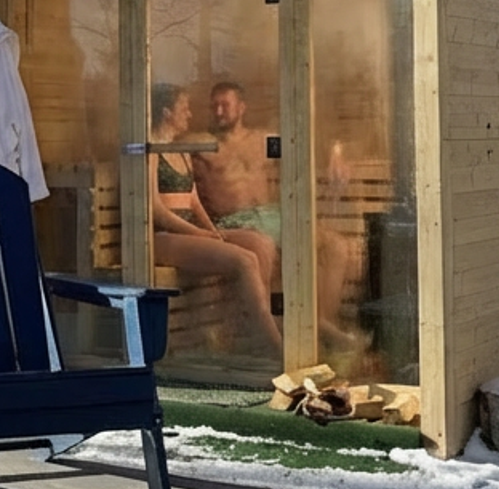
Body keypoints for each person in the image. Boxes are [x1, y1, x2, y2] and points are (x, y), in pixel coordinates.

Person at [193, 80, 360, 349]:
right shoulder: (203, 144)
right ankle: (270, 336)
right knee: (265, 248)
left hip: (271, 218)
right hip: (235, 221)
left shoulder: (263, 142)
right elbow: (168, 144)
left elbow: (303, 143)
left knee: (335, 246)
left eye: (226, 105)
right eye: (214, 106)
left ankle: (318, 325)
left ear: (242, 107)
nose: (219, 112)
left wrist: (336, 151)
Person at [149, 83, 284, 356]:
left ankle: (251, 330)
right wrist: (200, 235)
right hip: (163, 237)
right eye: (184, 109)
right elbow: (156, 211)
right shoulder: (150, 151)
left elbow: (194, 200)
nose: (189, 115)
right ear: (166, 112)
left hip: (190, 231)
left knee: (261, 244)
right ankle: (276, 349)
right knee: (245, 260)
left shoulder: (181, 149)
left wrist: (212, 231)